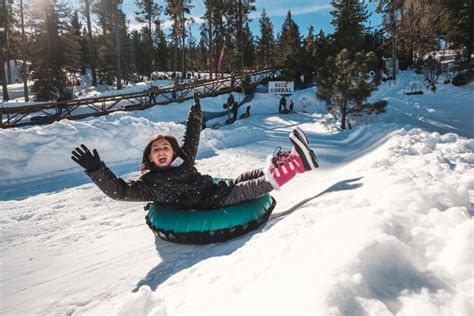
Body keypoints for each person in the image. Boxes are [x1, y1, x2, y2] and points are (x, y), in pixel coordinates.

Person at [71, 102, 319, 210]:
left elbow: (192, 137)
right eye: (155, 149)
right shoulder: (150, 184)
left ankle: (290, 157)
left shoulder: (183, 160)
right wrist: (97, 170)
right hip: (211, 204)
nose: (161, 151)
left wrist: (196, 115)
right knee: (252, 187)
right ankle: (298, 164)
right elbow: (120, 191)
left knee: (245, 175)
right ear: (149, 158)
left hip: (215, 188)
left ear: (174, 152)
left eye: (165, 147)